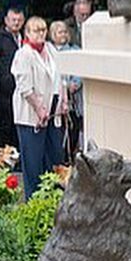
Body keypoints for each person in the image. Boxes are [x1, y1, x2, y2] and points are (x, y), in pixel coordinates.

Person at [11, 16, 67, 199]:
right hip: (31, 114)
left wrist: (64, 100)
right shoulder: (23, 54)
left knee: (55, 158)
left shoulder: (51, 49)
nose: (41, 34)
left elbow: (61, 77)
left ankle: (55, 201)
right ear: (27, 33)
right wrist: (39, 108)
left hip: (53, 112)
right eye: (36, 30)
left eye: (43, 30)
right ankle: (33, 203)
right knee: (33, 163)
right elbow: (25, 87)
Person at [0, 8, 25, 148]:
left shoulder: (25, 38)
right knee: (6, 125)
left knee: (19, 125)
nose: (16, 23)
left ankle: (18, 158)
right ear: (6, 21)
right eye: (13, 20)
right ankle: (2, 160)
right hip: (4, 91)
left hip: (23, 90)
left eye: (19, 20)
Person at [49, 20, 83, 158]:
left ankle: (68, 156)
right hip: (54, 95)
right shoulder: (48, 51)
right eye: (59, 32)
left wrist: (74, 83)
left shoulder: (74, 50)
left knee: (73, 126)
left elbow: (81, 69)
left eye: (64, 31)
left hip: (72, 97)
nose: (63, 34)